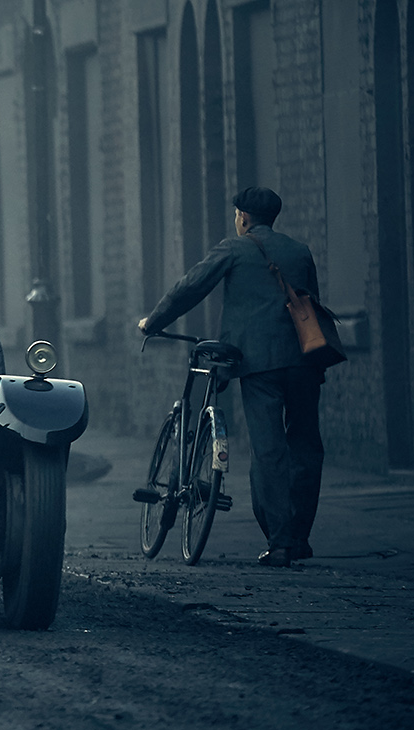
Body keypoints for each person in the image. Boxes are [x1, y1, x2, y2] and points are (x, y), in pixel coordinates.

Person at [138, 186, 323, 567]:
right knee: (305, 446)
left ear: (242, 217)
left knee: (269, 449)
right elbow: (312, 307)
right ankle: (300, 535)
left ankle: (281, 541)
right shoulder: (299, 251)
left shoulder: (233, 249)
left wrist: (152, 323)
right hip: (304, 362)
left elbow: (189, 288)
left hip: (259, 365)